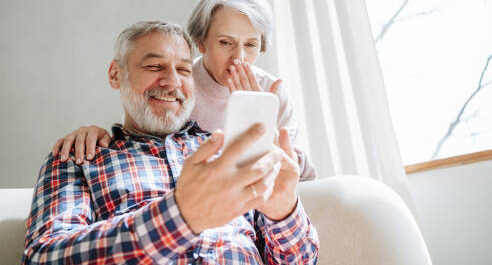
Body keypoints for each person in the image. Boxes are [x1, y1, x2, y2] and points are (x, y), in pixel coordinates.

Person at [23, 21, 319, 264]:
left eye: (184, 70)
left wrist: (284, 211)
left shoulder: (232, 151)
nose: (172, 82)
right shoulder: (80, 157)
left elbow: (299, 260)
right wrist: (179, 216)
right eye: (154, 67)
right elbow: (43, 256)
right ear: (116, 74)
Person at [52, 0, 317, 181]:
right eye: (225, 43)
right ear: (200, 43)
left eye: (251, 45)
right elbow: (143, 143)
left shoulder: (272, 92)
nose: (239, 58)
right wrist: (94, 135)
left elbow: (302, 173)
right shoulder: (180, 89)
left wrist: (263, 128)